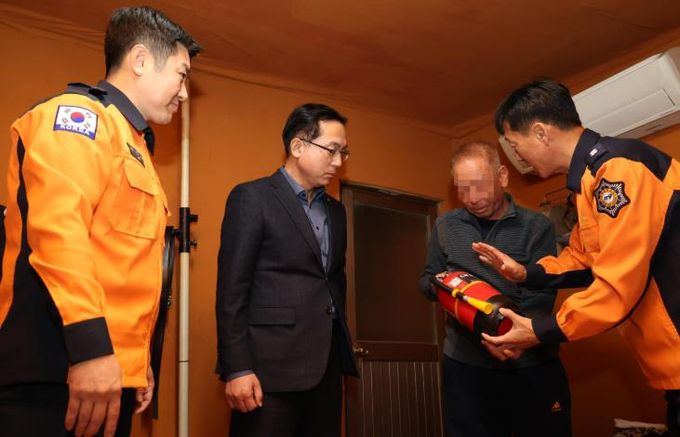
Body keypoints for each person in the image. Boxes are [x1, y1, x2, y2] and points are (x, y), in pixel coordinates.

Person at [0, 7, 200, 437]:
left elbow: (122, 266)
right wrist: (91, 350)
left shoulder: (134, 145)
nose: (185, 93)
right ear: (141, 60)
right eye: (182, 75)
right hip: (58, 372)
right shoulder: (79, 118)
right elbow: (60, 236)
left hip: (107, 373)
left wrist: (135, 363)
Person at [473, 78, 680, 436]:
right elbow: (585, 259)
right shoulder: (589, 182)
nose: (517, 156)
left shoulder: (618, 170)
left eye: (515, 145)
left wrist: (541, 330)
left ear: (541, 132)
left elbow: (619, 283)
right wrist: (525, 273)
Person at [215, 103, 359, 437]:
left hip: (326, 368)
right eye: (332, 150)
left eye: (343, 152)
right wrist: (237, 368)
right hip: (268, 371)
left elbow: (334, 282)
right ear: (297, 146)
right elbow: (232, 290)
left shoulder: (336, 211)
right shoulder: (252, 197)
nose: (338, 162)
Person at [419, 141, 571, 437]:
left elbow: (541, 295)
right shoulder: (445, 226)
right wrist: (447, 286)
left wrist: (513, 339)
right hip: (465, 366)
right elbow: (426, 280)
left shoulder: (536, 226)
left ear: (502, 176)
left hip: (531, 362)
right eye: (462, 189)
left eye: (479, 186)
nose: (472, 198)